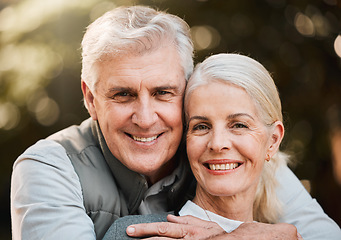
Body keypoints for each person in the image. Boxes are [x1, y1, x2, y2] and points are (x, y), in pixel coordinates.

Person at [10, 5, 340, 240]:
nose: (145, 117)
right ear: (91, 99)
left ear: (187, 91)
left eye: (163, 92)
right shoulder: (48, 166)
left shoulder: (225, 151)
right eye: (123, 94)